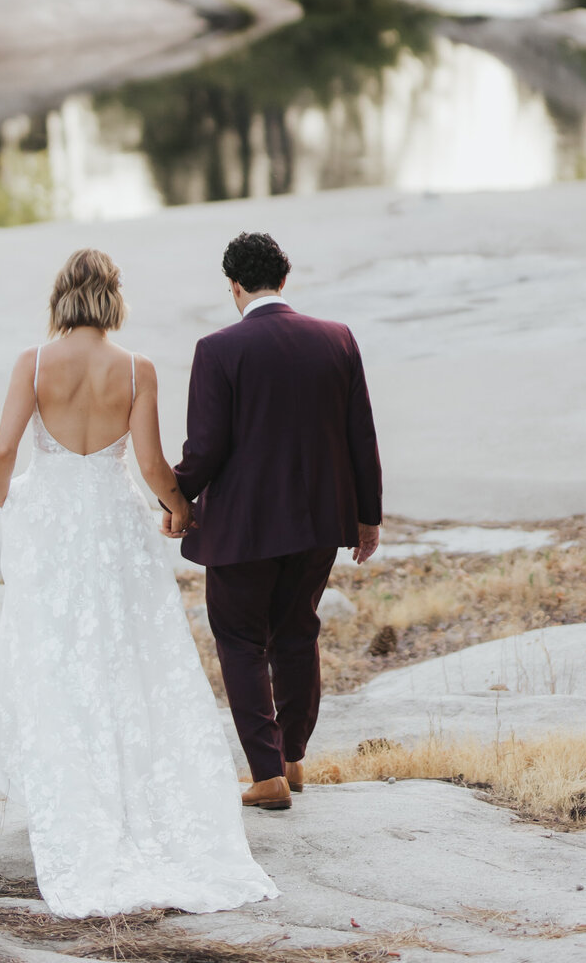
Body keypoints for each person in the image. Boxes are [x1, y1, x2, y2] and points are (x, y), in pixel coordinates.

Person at [0, 247, 276, 919]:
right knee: (129, 656)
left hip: (53, 520)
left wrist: (10, 502)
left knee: (54, 654)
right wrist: (180, 507)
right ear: (113, 299)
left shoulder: (33, 362)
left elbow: (2, 452)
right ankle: (137, 798)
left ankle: (73, 795)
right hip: (115, 525)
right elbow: (148, 464)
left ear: (61, 297)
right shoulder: (137, 370)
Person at [166, 231, 383, 812]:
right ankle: (292, 759)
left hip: (242, 529)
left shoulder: (217, 350)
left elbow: (205, 447)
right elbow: (360, 436)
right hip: (317, 525)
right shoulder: (337, 339)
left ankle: (267, 776)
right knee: (297, 632)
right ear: (284, 281)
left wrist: (174, 498)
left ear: (234, 286)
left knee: (239, 641)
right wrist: (367, 518)